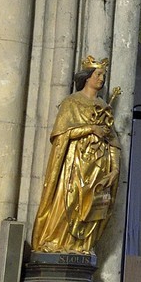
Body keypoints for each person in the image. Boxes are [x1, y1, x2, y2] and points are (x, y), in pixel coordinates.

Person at [31, 56, 121, 256]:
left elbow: (113, 142)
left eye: (103, 75)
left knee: (91, 209)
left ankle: (81, 247)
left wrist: (114, 169)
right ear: (86, 77)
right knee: (68, 203)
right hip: (74, 165)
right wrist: (90, 129)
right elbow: (62, 134)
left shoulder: (104, 106)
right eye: (97, 74)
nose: (101, 79)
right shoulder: (72, 102)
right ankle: (57, 243)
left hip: (98, 167)